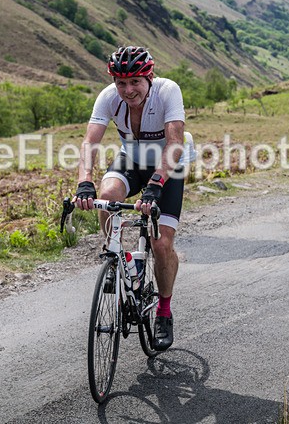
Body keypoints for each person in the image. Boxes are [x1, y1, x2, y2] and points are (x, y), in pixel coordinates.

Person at [73, 46, 191, 351]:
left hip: (168, 165)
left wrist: (156, 185)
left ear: (149, 77)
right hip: (132, 159)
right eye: (121, 83)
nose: (128, 90)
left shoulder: (167, 91)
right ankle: (118, 257)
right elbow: (90, 141)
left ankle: (163, 311)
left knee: (160, 243)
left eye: (135, 82)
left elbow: (175, 142)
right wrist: (84, 181)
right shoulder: (108, 97)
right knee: (107, 195)